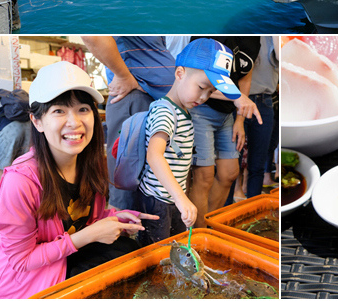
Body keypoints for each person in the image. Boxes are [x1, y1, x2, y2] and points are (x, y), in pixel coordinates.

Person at [0, 62, 158, 299]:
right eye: (59, 110)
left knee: (131, 252)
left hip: (66, 256)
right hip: (28, 281)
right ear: (37, 121)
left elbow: (82, 221)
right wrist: (91, 235)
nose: (75, 122)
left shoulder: (89, 162)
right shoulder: (19, 182)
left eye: (83, 109)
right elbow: (21, 260)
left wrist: (114, 217)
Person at [136, 38, 241, 245]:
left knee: (175, 246)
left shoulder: (183, 111)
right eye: (201, 87)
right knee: (156, 251)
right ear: (180, 73)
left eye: (210, 92)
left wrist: (180, 197)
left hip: (173, 197)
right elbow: (154, 155)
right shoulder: (165, 110)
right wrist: (181, 198)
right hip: (157, 200)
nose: (204, 97)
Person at [80, 37, 175, 210]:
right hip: (136, 95)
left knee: (141, 171)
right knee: (128, 172)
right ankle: (123, 231)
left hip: (149, 97)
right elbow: (92, 35)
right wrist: (123, 75)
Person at [185, 36, 262, 228]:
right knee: (204, 176)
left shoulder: (255, 37)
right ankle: (198, 235)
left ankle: (208, 226)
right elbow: (200, 78)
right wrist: (237, 97)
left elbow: (245, 77)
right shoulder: (212, 32)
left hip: (228, 114)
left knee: (230, 173)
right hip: (201, 108)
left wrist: (240, 119)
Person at [243, 36, 279, 198]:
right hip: (239, 101)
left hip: (265, 101)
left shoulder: (274, 39)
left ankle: (253, 207)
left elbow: (280, 57)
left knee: (257, 165)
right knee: (231, 166)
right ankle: (227, 211)